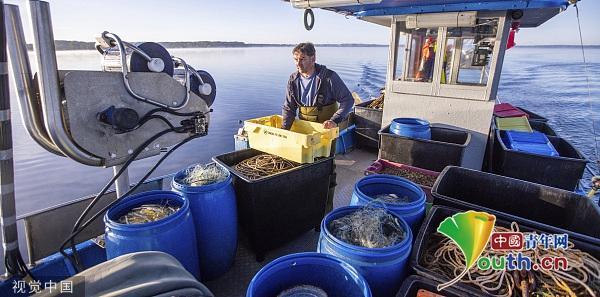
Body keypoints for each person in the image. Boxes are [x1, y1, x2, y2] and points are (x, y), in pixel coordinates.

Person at [282, 42, 354, 213]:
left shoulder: (329, 77)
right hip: (304, 131)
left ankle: (325, 209)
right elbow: (289, 107)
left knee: (326, 168)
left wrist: (335, 120)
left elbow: (347, 100)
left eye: (302, 59)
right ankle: (306, 207)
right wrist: (284, 131)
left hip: (325, 132)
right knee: (304, 166)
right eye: (295, 60)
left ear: (313, 58)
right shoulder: (293, 79)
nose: (298, 64)